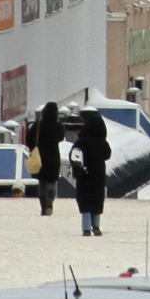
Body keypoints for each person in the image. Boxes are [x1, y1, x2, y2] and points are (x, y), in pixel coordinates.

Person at [70, 108, 110, 237]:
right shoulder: (102, 142)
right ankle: (96, 226)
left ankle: (86, 228)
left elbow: (74, 155)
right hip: (98, 175)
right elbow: (107, 155)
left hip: (84, 175)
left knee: (85, 201)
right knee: (97, 201)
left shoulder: (81, 141)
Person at [29, 102, 62, 216]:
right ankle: (50, 200)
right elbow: (61, 137)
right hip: (53, 157)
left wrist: (33, 147)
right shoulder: (58, 126)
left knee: (42, 182)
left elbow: (28, 138)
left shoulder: (38, 125)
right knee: (52, 181)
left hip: (40, 157)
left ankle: (43, 205)